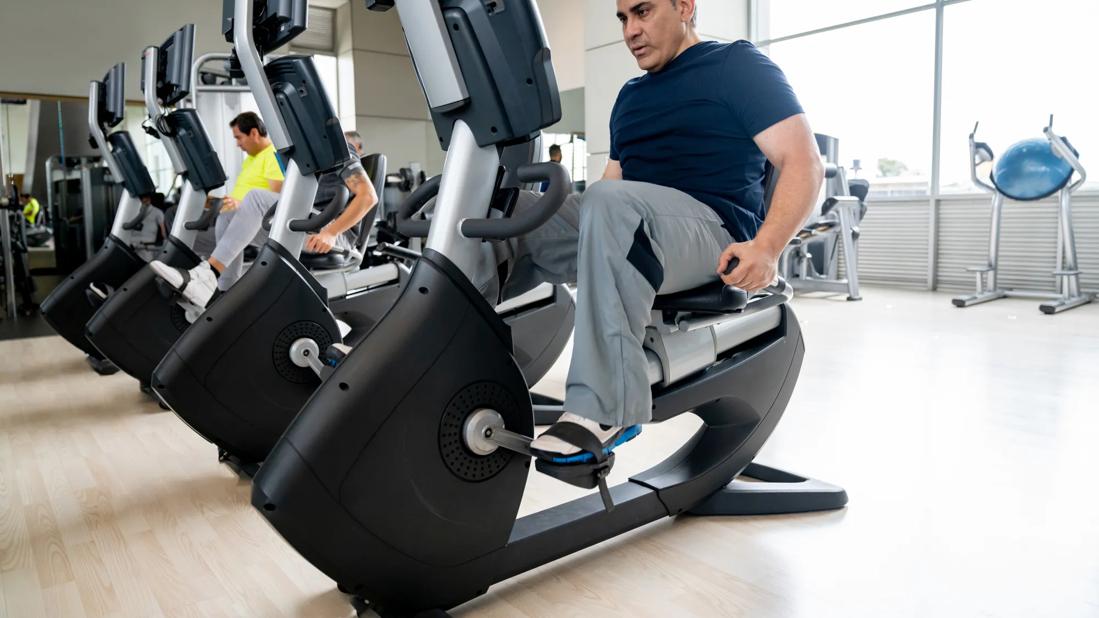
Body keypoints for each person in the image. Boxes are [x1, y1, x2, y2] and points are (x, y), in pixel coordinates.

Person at [511, 0, 825, 464]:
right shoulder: (631, 97)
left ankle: (608, 406)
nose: (631, 30)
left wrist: (767, 247)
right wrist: (569, 231)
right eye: (623, 19)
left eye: (642, 12)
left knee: (611, 205)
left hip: (712, 232)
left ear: (684, 7)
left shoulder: (735, 65)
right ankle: (465, 361)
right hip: (634, 223)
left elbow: (803, 162)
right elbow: (608, 189)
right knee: (513, 211)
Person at [150, 123, 378, 310]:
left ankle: (209, 275)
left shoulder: (339, 149)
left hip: (332, 236)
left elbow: (368, 197)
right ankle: (221, 294)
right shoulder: (308, 158)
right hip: (307, 225)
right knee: (229, 217)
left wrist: (331, 232)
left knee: (257, 197)